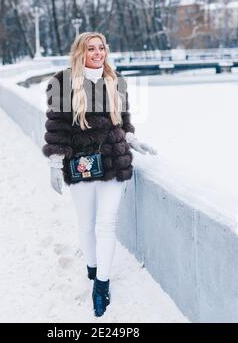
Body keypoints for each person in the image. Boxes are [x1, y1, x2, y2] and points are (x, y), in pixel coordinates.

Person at [42, 32, 157, 318]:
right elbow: (56, 125)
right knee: (86, 224)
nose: (97, 53)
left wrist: (131, 139)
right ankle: (92, 269)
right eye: (91, 49)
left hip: (114, 162)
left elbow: (123, 120)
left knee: (107, 225)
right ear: (80, 52)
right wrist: (56, 162)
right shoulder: (62, 81)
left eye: (101, 48)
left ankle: (101, 285)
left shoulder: (115, 80)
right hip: (80, 163)